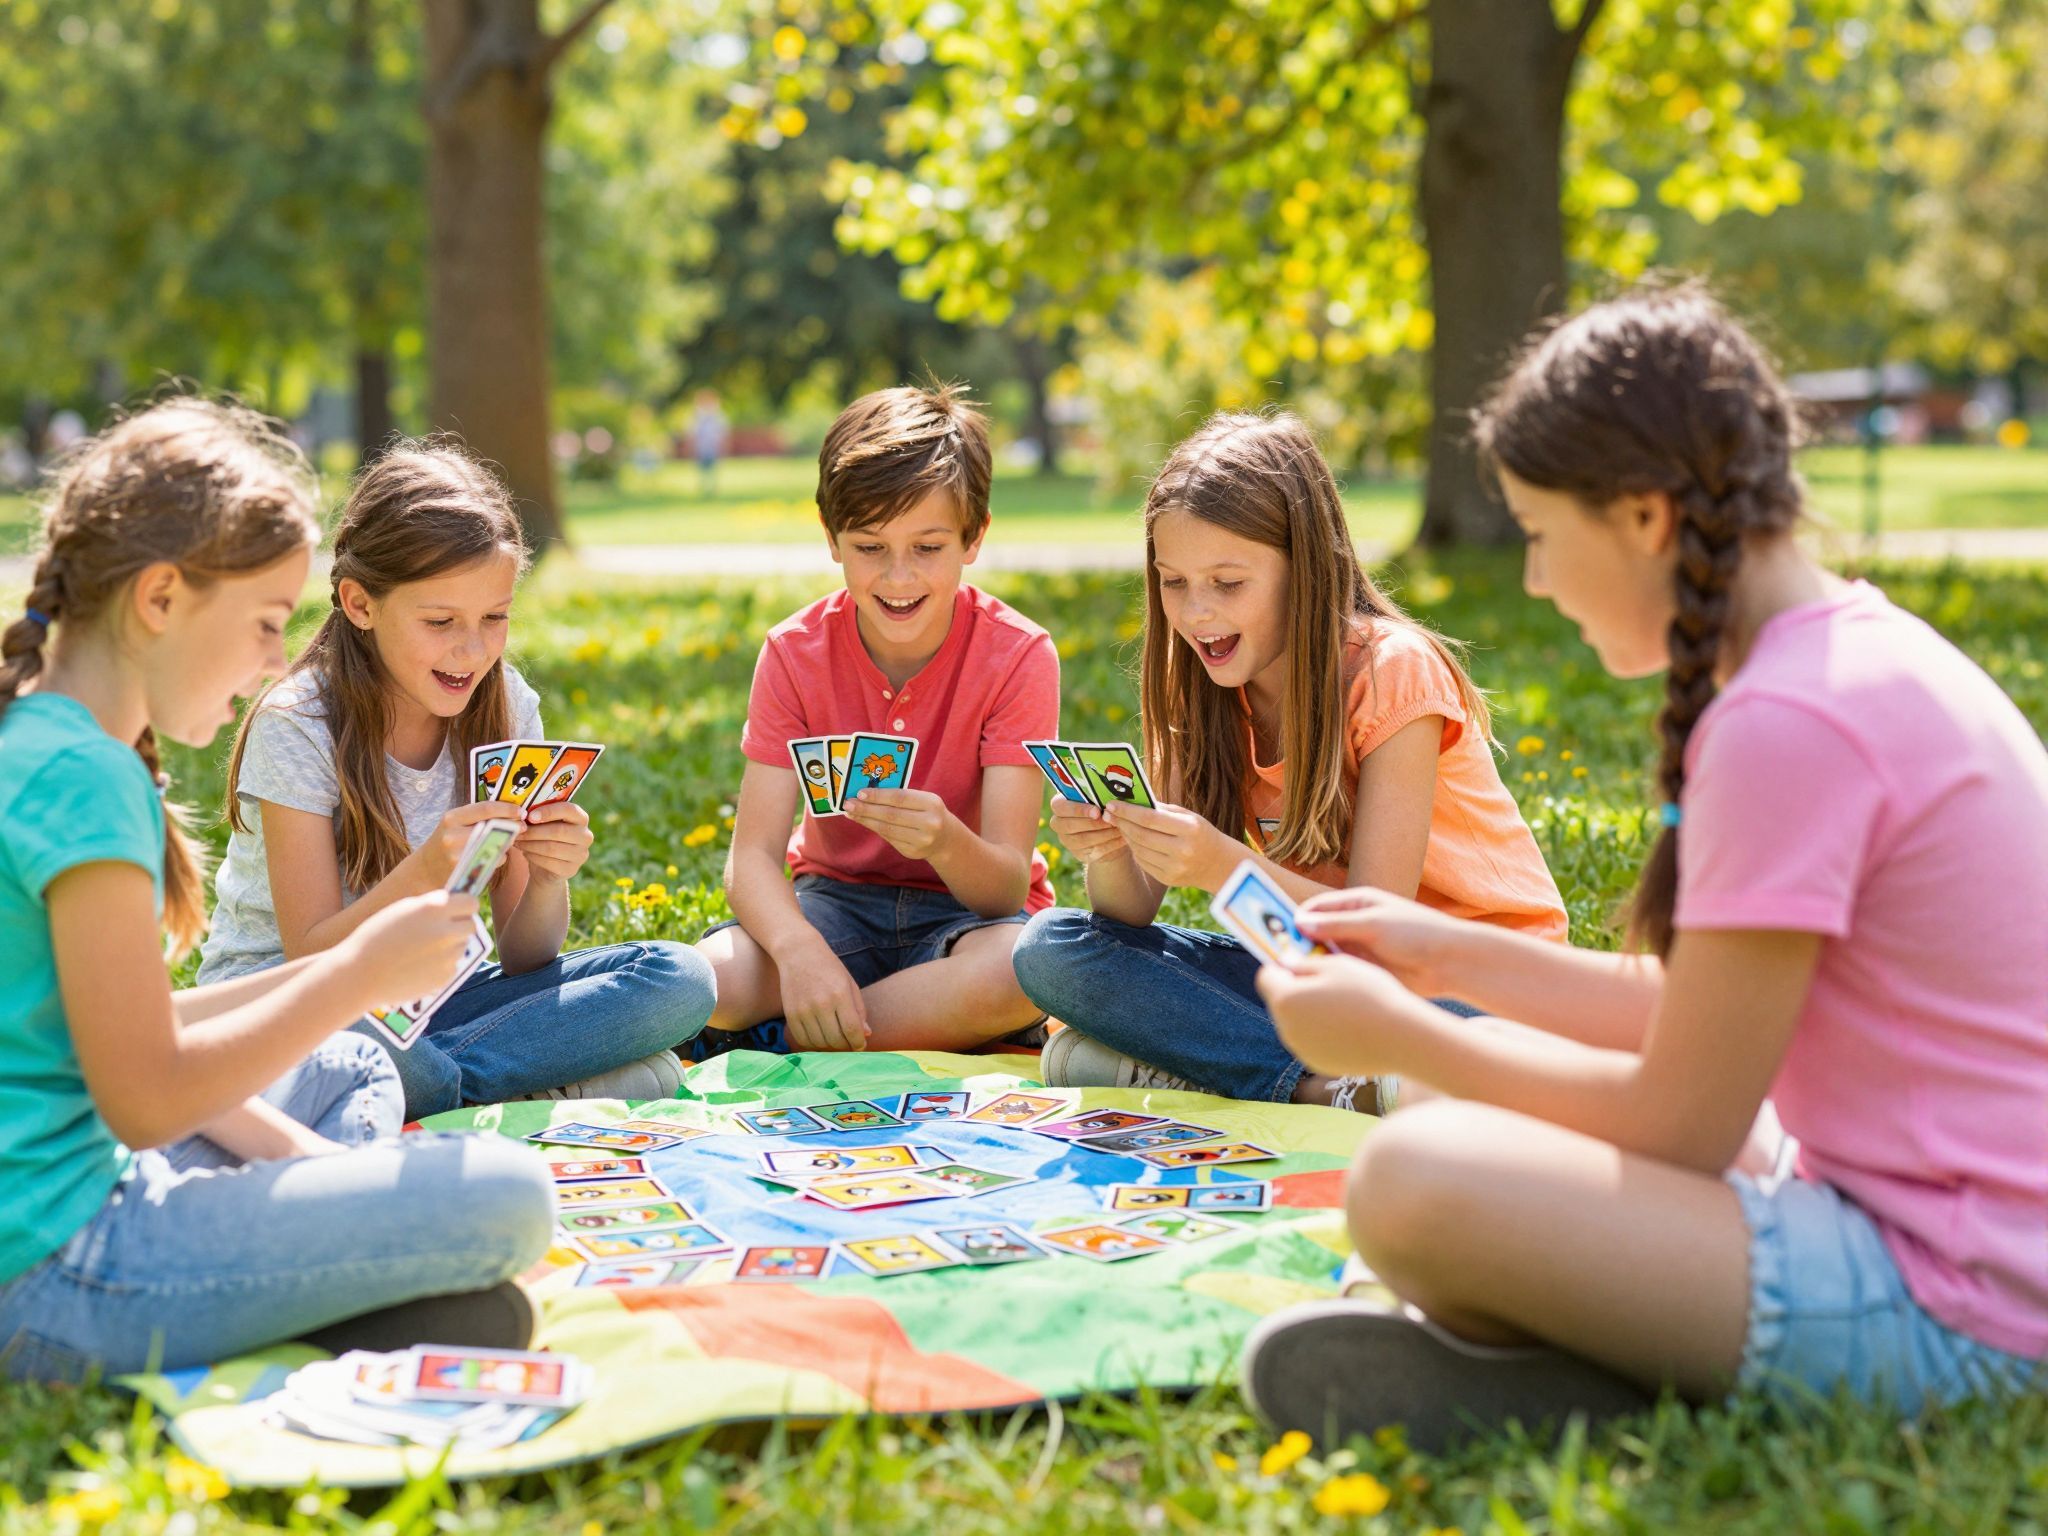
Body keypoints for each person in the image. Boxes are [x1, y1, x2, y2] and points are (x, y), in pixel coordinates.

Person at [1242, 284, 2048, 1452]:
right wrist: (1436, 952)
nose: (1530, 581)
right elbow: (1695, 1017)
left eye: (1535, 533)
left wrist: (1398, 1035)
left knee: (1410, 1176)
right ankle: (1610, 1353)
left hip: (1958, 1299)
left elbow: (1677, 1119)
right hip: (1931, 1220)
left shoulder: (1789, 722)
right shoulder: (1837, 659)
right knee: (1453, 1098)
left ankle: (1614, 1355)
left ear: (1640, 516)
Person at [0, 400, 553, 1380]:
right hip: (60, 1265)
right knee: (512, 1196)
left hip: (68, 1196)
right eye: (262, 623)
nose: (271, 660)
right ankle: (328, 1289)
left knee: (355, 1070)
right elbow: (144, 1098)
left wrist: (315, 1164)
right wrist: (349, 979)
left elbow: (129, 1035)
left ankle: (321, 1279)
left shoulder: (42, 745)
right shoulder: (90, 781)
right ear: (160, 599)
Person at [1011, 411, 1565, 1111]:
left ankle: (1228, 1068)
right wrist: (1110, 848)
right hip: (1322, 981)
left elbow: (1380, 932)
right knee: (1050, 948)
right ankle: (1329, 1087)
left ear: (1302, 567)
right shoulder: (1209, 691)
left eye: (1227, 583)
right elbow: (1127, 913)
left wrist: (1219, 864)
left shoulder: (1393, 671)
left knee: (1476, 1031)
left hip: (1476, 986)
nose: (1196, 612)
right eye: (1173, 583)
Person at [200, 439, 715, 1118]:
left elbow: (528, 955)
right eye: (440, 621)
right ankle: (513, 1083)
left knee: (681, 978)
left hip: (438, 1001)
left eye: (495, 618)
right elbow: (312, 956)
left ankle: (445, 1085)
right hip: (294, 1003)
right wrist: (425, 870)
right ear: (360, 604)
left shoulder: (507, 706)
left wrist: (550, 875)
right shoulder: (298, 723)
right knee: (362, 1040)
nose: (472, 649)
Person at [694, 384, 1057, 1054]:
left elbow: (1004, 886)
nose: (898, 577)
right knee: (708, 980)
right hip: (831, 905)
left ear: (973, 538)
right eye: (869, 547)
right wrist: (801, 953)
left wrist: (945, 840)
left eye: (927, 547)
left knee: (1024, 973)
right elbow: (751, 859)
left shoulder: (1019, 656)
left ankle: (796, 1037)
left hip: (970, 921)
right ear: (832, 540)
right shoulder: (793, 653)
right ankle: (862, 1017)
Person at [691, 391, 728, 496]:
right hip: (701, 448)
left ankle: (713, 488)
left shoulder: (718, 417)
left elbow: (722, 434)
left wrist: (723, 447)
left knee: (713, 469)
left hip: (713, 447)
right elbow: (693, 434)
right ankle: (703, 488)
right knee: (702, 469)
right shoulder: (697, 417)